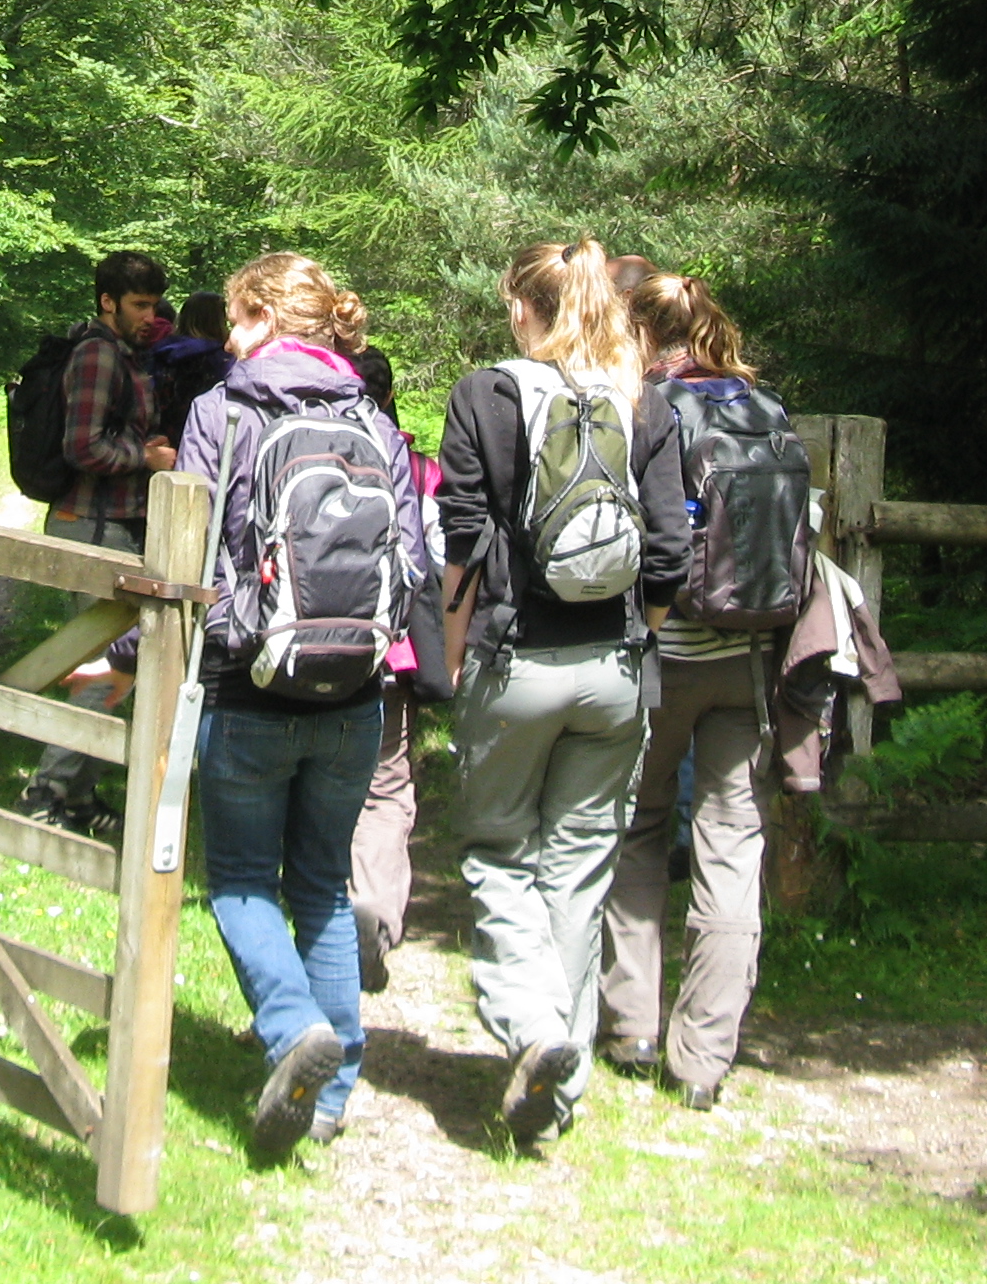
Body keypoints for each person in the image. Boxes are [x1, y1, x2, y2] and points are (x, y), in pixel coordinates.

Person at [438, 238, 690, 1145]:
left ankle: (537, 1032)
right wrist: (639, 643)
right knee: (579, 873)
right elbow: (669, 552)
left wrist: (455, 663)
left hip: (515, 663)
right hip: (616, 671)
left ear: (522, 306)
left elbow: (462, 543)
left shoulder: (485, 394)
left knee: (497, 852)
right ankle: (559, 1097)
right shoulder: (642, 401)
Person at [172, 253, 421, 1155]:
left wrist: (129, 654)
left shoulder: (222, 413)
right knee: (320, 884)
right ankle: (333, 1093)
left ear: (268, 319)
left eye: (238, 322)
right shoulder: (373, 420)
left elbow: (185, 563)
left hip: (248, 686)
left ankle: (291, 1031)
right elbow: (414, 568)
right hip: (356, 697)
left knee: (239, 881)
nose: (229, 340)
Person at [601, 271, 779, 1111]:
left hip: (666, 655)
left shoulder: (646, 410)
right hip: (750, 658)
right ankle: (703, 1057)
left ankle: (632, 1024)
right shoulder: (764, 410)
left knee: (638, 830)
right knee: (732, 847)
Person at [18, 249, 178, 834]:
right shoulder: (96, 355)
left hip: (113, 523)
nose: (150, 315)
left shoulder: (126, 355)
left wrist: (144, 444)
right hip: (90, 524)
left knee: (116, 666)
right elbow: (81, 447)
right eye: (139, 304)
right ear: (107, 301)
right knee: (106, 665)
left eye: (154, 304)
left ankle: (77, 796)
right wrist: (150, 457)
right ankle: (46, 793)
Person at [344, 333, 443, 994]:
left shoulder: (313, 442)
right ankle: (375, 916)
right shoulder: (421, 469)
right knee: (385, 787)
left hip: (314, 642)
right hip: (394, 648)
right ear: (392, 398)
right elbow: (433, 563)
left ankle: (328, 919)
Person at [149, 289, 232, 428]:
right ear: (219, 320)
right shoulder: (222, 360)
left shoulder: (161, 352)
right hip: (204, 433)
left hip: (161, 434)